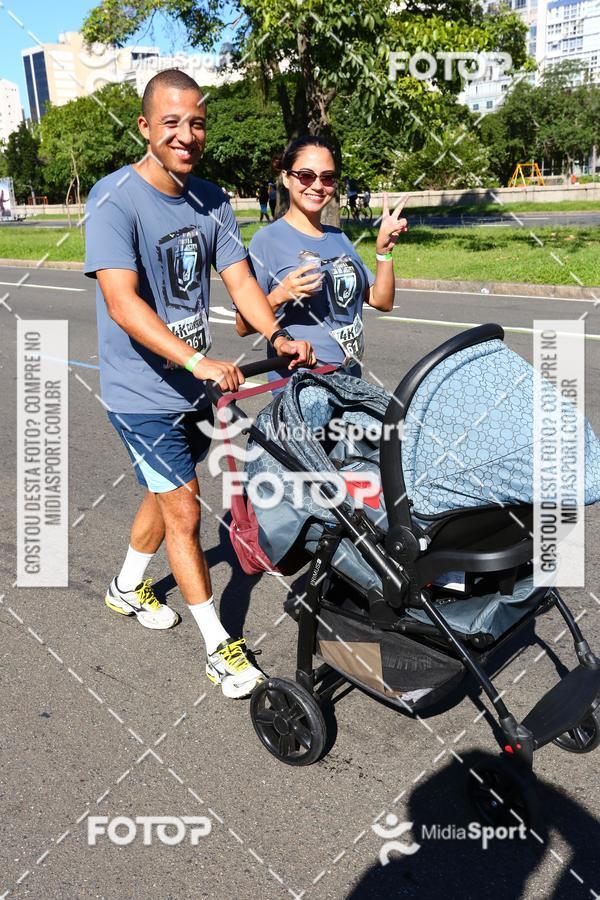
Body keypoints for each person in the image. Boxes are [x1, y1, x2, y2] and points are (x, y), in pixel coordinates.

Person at [84, 69, 314, 698]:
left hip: (196, 390)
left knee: (165, 493)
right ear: (145, 128)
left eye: (196, 122)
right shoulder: (112, 200)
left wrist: (276, 337)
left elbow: (240, 280)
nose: (186, 135)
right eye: (171, 123)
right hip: (142, 392)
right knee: (184, 509)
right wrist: (195, 360)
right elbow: (124, 304)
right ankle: (220, 648)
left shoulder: (211, 199)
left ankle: (126, 587)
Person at [237, 135, 407, 382]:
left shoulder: (339, 238)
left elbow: (382, 301)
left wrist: (384, 251)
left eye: (327, 178)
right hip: (300, 385)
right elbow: (242, 326)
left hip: (350, 380)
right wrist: (280, 295)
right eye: (306, 175)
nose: (317, 186)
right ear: (286, 177)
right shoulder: (267, 241)